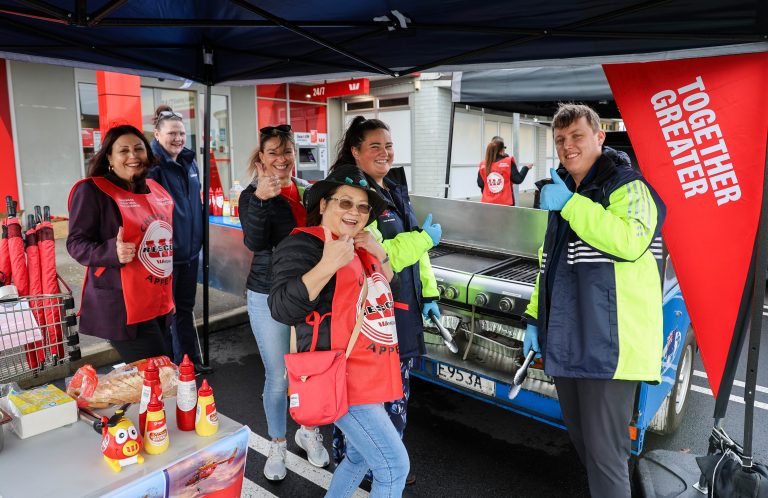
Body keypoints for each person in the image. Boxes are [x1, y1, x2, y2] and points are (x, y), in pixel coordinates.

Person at [522, 104, 665, 498]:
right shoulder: (569, 190)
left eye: (577, 136)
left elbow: (630, 241)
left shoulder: (627, 186)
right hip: (570, 340)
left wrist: (569, 204)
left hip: (609, 347)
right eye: (560, 140)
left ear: (600, 137)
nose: (568, 146)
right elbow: (549, 263)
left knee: (606, 457)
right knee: (586, 445)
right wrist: (534, 319)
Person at [268, 164, 408, 497]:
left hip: (370, 373)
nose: (355, 212)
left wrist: (381, 254)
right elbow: (282, 307)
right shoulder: (302, 245)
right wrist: (328, 263)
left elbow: (392, 293)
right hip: (340, 376)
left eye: (362, 207)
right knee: (393, 466)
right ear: (323, 205)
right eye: (345, 203)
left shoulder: (361, 247)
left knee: (359, 458)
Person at [329, 116, 442, 486]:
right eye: (375, 146)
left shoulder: (394, 188)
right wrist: (425, 240)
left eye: (388, 145)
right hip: (372, 318)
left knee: (397, 393)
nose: (384, 152)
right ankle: (376, 466)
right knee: (370, 398)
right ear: (356, 151)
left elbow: (410, 242)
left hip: (403, 310)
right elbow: (380, 253)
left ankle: (386, 460)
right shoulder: (356, 198)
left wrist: (429, 291)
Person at [238, 124, 329, 481]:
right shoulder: (251, 195)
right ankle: (278, 443)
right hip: (267, 293)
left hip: (309, 291)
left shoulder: (307, 192)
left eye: (287, 151)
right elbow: (254, 240)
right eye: (273, 152)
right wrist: (261, 199)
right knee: (278, 376)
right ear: (260, 157)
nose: (282, 159)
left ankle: (308, 430)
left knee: (309, 370)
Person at [67, 124, 175, 364]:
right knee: (158, 373)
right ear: (109, 157)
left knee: (155, 375)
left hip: (158, 299)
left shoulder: (156, 191)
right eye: (123, 150)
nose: (133, 156)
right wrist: (111, 251)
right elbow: (75, 243)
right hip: (123, 307)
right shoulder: (92, 191)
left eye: (138, 149)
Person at [146, 105, 210, 374]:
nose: (178, 138)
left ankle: (190, 362)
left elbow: (195, 202)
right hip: (166, 255)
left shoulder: (189, 161)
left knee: (185, 309)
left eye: (182, 133)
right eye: (172, 133)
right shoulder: (152, 166)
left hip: (190, 251)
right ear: (157, 134)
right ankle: (172, 367)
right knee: (167, 314)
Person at [477, 136, 530, 205]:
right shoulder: (507, 162)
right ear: (502, 149)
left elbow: (480, 184)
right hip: (505, 202)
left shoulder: (483, 164)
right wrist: (526, 168)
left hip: (488, 203)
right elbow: (518, 179)